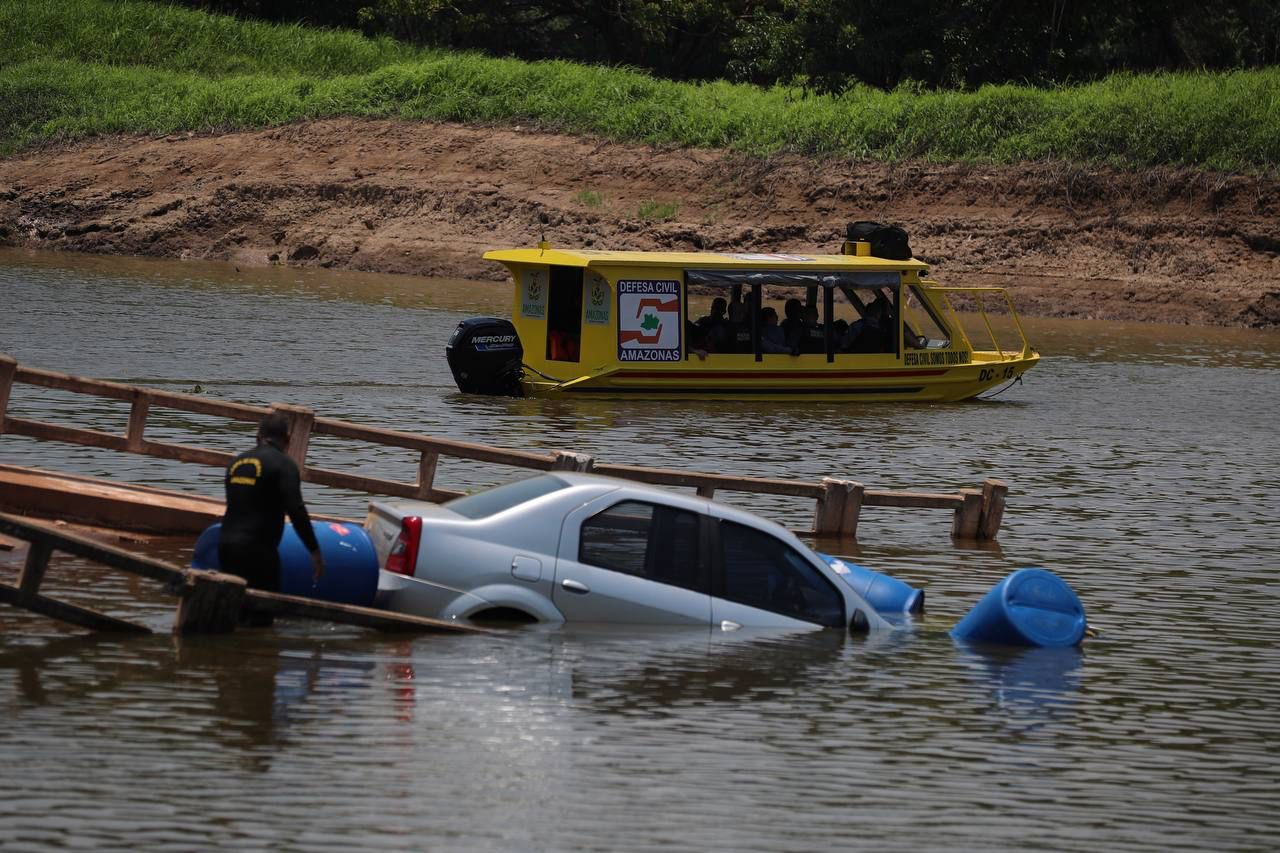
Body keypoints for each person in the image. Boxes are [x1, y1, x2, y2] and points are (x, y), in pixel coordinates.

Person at [220, 412, 325, 607]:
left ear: (257, 437)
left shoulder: (237, 462)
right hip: (259, 552)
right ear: (288, 440)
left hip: (225, 546)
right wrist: (314, 550)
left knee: (232, 610)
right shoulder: (284, 465)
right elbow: (296, 510)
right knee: (262, 617)